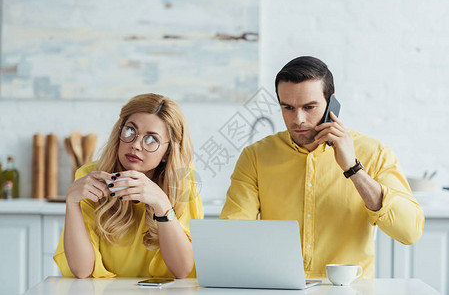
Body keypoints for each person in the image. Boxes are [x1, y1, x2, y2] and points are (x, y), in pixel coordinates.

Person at [220, 56, 424, 278]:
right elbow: (233, 236)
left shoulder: (374, 153)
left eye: (309, 107)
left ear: (331, 103)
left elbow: (409, 232)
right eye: (287, 107)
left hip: (349, 292)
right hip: (280, 288)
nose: (298, 119)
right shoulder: (256, 156)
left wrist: (353, 169)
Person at [54, 93, 203, 279]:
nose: (136, 145)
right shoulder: (90, 177)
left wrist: (161, 203)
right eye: (130, 131)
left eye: (151, 139)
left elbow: (182, 270)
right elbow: (81, 270)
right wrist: (71, 202)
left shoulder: (181, 181)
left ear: (167, 152)